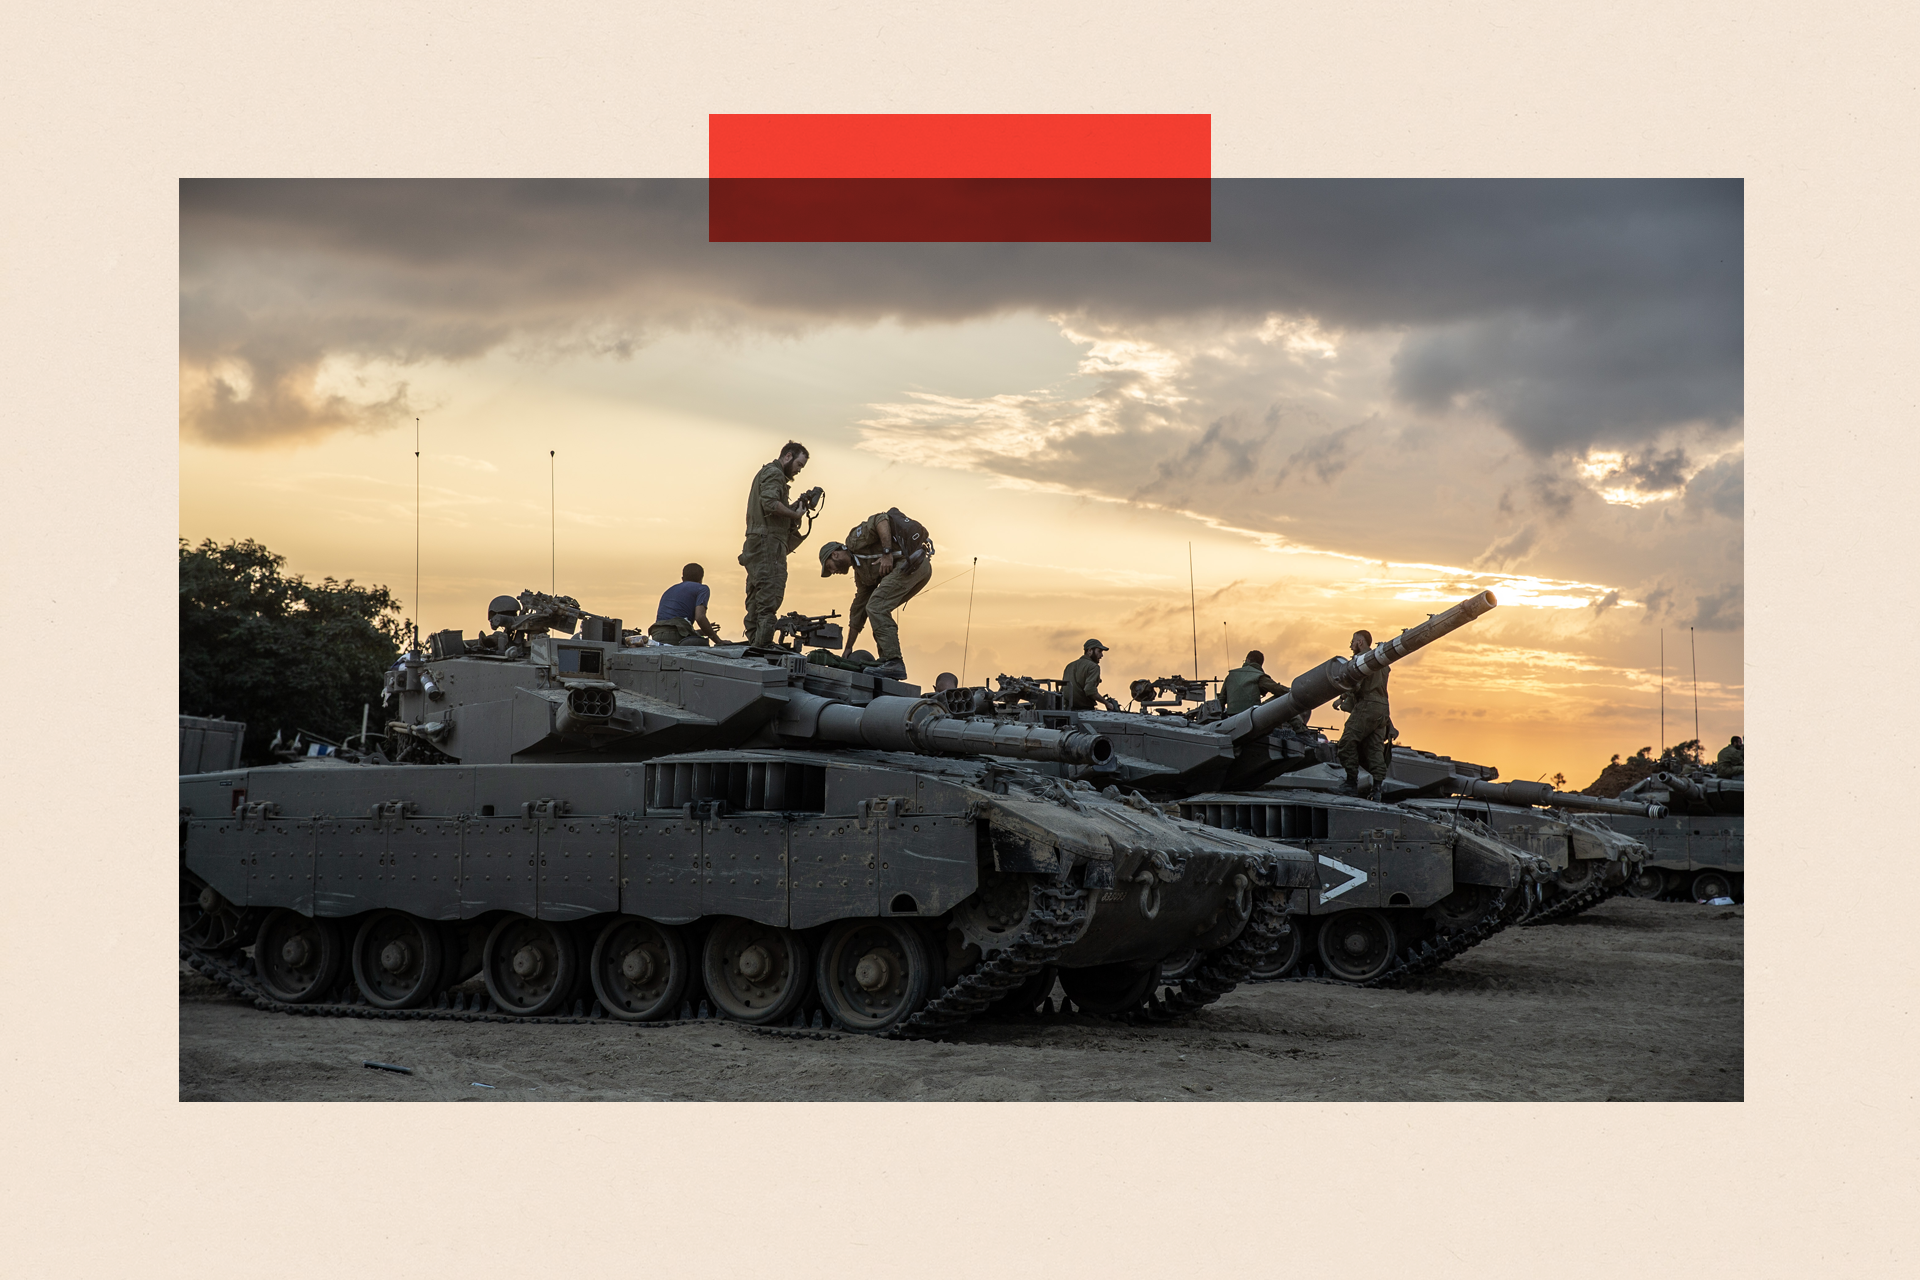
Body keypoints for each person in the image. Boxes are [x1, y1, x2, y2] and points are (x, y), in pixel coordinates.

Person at [818, 506, 934, 680]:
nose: (833, 572)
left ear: (835, 555)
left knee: (877, 606)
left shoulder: (853, 541)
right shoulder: (862, 574)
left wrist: (886, 553)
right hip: (914, 569)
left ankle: (894, 661)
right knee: (875, 607)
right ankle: (887, 661)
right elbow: (858, 611)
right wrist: (849, 647)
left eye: (830, 567)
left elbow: (881, 519)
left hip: (912, 562)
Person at [738, 441, 816, 648]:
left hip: (759, 543)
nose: (799, 471)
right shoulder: (774, 474)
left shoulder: (769, 474)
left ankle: (755, 643)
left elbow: (771, 509)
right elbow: (770, 504)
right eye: (799, 465)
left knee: (757, 597)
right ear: (788, 456)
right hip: (768, 544)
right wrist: (795, 513)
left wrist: (796, 507)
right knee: (769, 596)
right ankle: (762, 647)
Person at [1334, 629, 1392, 796]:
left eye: (1353, 641)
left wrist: (1341, 697)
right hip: (1382, 708)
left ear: (1360, 642)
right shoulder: (1382, 661)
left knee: (1346, 743)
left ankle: (1351, 783)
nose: (1351, 645)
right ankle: (1377, 789)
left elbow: (1356, 685)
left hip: (1366, 705)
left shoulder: (1361, 660)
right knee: (1375, 749)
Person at [1219, 649, 1307, 731]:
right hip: (1253, 716)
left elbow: (1221, 700)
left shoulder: (1230, 676)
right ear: (1260, 664)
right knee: (1283, 698)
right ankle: (1300, 730)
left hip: (1232, 718)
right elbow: (1278, 690)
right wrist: (1294, 691)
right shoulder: (1259, 676)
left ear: (1247, 660)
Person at [649, 563, 721, 646]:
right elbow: (700, 617)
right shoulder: (702, 588)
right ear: (701, 579)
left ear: (682, 579)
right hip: (676, 635)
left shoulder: (670, 590)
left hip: (656, 635)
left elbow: (669, 627)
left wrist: (703, 631)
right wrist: (718, 641)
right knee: (704, 644)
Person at [1062, 639, 1109, 711]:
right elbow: (1090, 690)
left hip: (1066, 710)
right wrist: (1107, 703)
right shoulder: (1093, 667)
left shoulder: (1070, 666)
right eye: (1099, 651)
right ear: (1090, 651)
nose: (1101, 655)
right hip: (1084, 709)